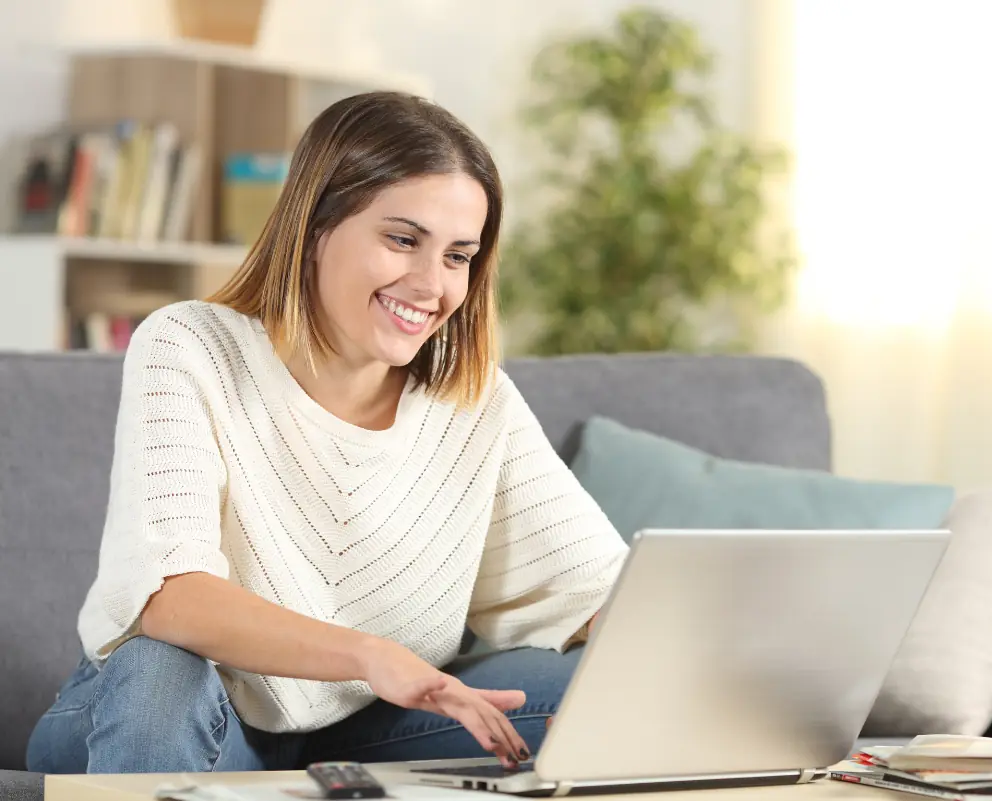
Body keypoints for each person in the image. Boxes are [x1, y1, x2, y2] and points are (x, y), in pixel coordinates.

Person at [25, 91, 628, 775]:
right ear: (315, 227)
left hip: (363, 731)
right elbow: (171, 598)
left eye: (459, 256)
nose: (433, 284)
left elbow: (601, 592)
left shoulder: (472, 398)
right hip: (174, 715)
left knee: (595, 695)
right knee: (160, 672)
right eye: (403, 240)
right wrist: (372, 656)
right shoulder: (190, 344)